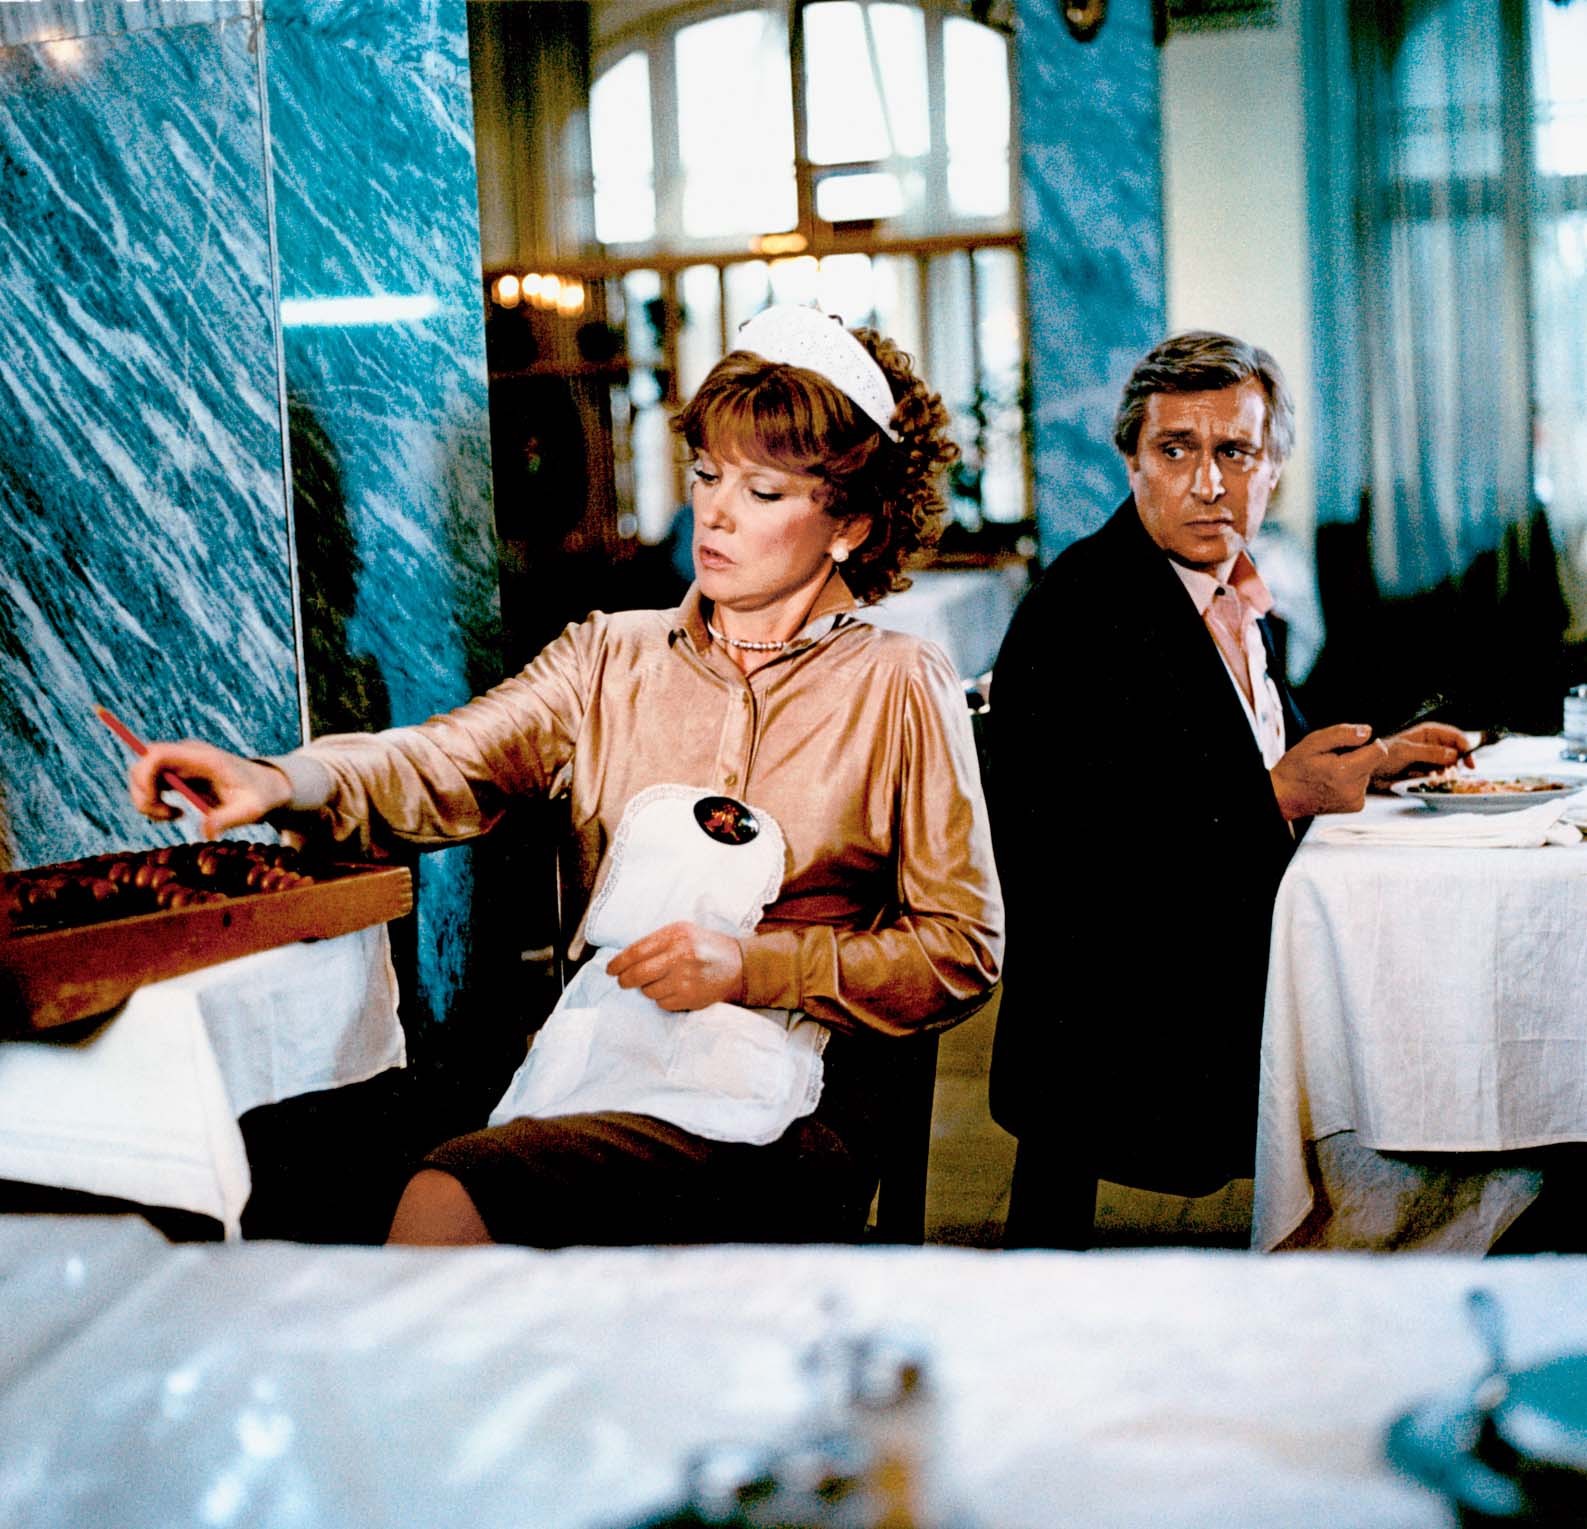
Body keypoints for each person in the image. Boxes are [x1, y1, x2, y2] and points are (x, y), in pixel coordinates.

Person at [128, 305, 1003, 1248]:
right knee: (327, 1171)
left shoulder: (896, 681)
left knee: (451, 1193)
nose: (712, 512)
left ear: (850, 525)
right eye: (707, 474)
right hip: (606, 1057)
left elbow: (959, 949)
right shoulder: (608, 657)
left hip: (797, 1098)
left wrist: (751, 967)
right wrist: (281, 780)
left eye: (761, 491)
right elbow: (445, 758)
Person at [987, 330, 1468, 1249]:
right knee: (1425, 1013)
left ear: (1272, 470)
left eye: (1235, 452)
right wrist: (1274, 798)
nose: (1207, 482)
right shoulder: (1076, 612)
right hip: (1128, 1014)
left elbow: (1251, 743)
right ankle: (1394, 1253)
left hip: (1214, 952)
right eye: (1175, 450)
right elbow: (1062, 851)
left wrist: (1373, 757)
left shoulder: (1224, 585)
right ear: (1132, 463)